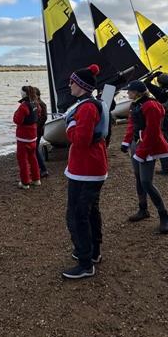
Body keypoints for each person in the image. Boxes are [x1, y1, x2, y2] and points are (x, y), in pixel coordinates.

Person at [62, 64, 109, 280]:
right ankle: (93, 252)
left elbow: (80, 141)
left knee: (77, 215)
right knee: (90, 212)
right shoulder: (95, 104)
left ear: (81, 85)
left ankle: (85, 263)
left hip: (86, 169)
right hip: (92, 166)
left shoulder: (87, 108)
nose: (69, 85)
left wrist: (70, 124)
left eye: (72, 82)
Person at [119, 81, 168, 234]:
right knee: (138, 177)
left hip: (148, 146)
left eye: (129, 91)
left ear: (137, 92)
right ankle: (143, 209)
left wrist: (142, 153)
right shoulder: (135, 104)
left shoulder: (151, 105)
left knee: (146, 182)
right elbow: (132, 124)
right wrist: (126, 142)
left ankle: (164, 216)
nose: (127, 93)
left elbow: (153, 132)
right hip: (137, 144)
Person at [146, 72, 168, 174]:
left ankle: (167, 168)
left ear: (159, 83)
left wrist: (154, 75)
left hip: (163, 117)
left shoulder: (160, 91)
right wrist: (167, 75)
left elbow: (146, 83)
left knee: (163, 143)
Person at [13, 86, 41, 189]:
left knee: (23, 160)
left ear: (24, 94)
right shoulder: (36, 104)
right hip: (33, 135)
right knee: (33, 157)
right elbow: (38, 114)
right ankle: (36, 179)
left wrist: (15, 114)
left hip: (23, 137)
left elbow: (17, 120)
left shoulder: (23, 106)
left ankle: (25, 182)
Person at [32, 87, 48, 178]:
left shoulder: (41, 104)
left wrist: (36, 125)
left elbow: (44, 117)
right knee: (35, 149)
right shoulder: (35, 104)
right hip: (36, 130)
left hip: (38, 130)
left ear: (37, 95)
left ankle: (43, 169)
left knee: (35, 150)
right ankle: (39, 168)